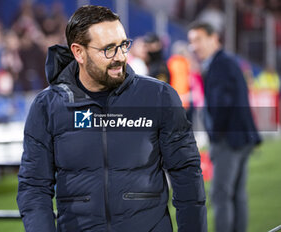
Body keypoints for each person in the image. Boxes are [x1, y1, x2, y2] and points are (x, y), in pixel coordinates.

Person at [17, 5, 207, 232]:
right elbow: (34, 186)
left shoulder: (159, 97)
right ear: (78, 52)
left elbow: (186, 174)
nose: (120, 57)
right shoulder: (46, 106)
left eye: (123, 45)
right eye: (108, 49)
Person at [188, 22, 261, 232]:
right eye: (192, 41)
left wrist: (215, 136)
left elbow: (221, 105)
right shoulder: (225, 61)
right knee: (237, 194)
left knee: (221, 195)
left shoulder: (220, 64)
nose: (194, 46)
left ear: (214, 38)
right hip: (240, 136)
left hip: (229, 139)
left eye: (198, 39)